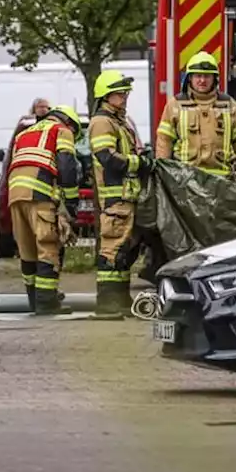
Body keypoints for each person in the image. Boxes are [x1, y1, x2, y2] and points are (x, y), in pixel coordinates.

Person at [5, 104, 82, 315]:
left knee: (27, 250)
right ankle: (47, 303)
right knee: (48, 245)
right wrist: (71, 202)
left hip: (15, 194)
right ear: (69, 122)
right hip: (39, 193)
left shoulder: (25, 133)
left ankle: (34, 300)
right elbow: (67, 164)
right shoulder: (62, 130)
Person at [88, 70, 151, 319]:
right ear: (106, 95)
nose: (124, 97)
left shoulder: (119, 122)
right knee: (112, 250)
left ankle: (121, 300)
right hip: (115, 199)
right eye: (119, 93)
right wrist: (139, 163)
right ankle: (107, 303)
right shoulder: (103, 122)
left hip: (126, 197)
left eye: (125, 93)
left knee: (125, 250)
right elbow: (107, 158)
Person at [154, 52, 236, 182]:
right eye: (198, 76)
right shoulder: (176, 105)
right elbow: (164, 141)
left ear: (214, 79)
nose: (202, 80)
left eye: (207, 76)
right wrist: (163, 175)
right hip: (186, 182)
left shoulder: (229, 105)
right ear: (189, 78)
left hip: (221, 182)